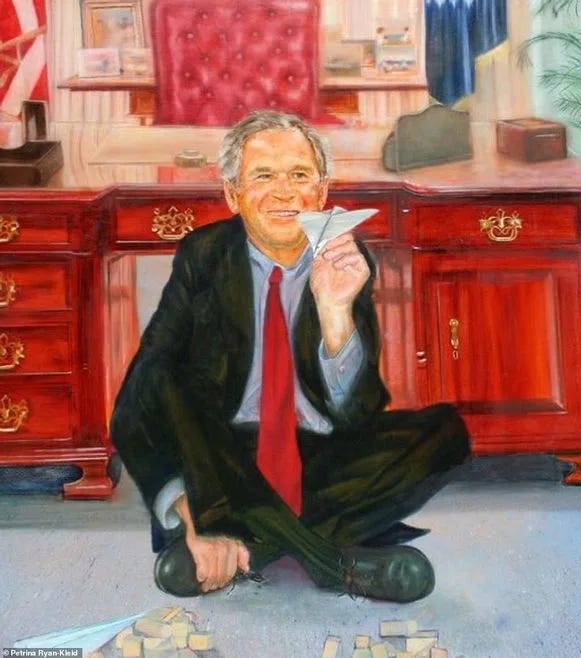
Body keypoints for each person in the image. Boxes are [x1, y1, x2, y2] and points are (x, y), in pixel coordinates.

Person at [110, 110, 470, 602]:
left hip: (317, 455)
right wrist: (193, 514)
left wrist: (336, 313)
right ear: (233, 195)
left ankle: (246, 544)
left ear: (321, 193)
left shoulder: (345, 260)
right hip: (224, 457)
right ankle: (333, 565)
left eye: (299, 175)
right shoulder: (204, 255)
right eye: (263, 176)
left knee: (445, 432)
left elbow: (359, 412)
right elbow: (140, 394)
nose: (284, 193)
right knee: (166, 377)